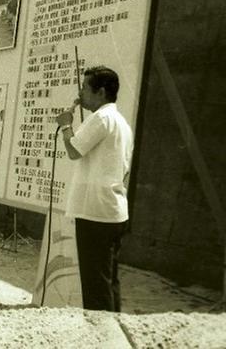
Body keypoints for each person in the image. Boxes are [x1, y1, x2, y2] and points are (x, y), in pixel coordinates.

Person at [56, 65, 133, 312]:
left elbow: (73, 150)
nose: (80, 93)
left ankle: (99, 338)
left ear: (100, 92)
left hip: (95, 213)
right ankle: (112, 333)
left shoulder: (100, 118)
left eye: (84, 88)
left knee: (95, 285)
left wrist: (66, 125)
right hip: (114, 211)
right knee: (108, 281)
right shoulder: (121, 122)